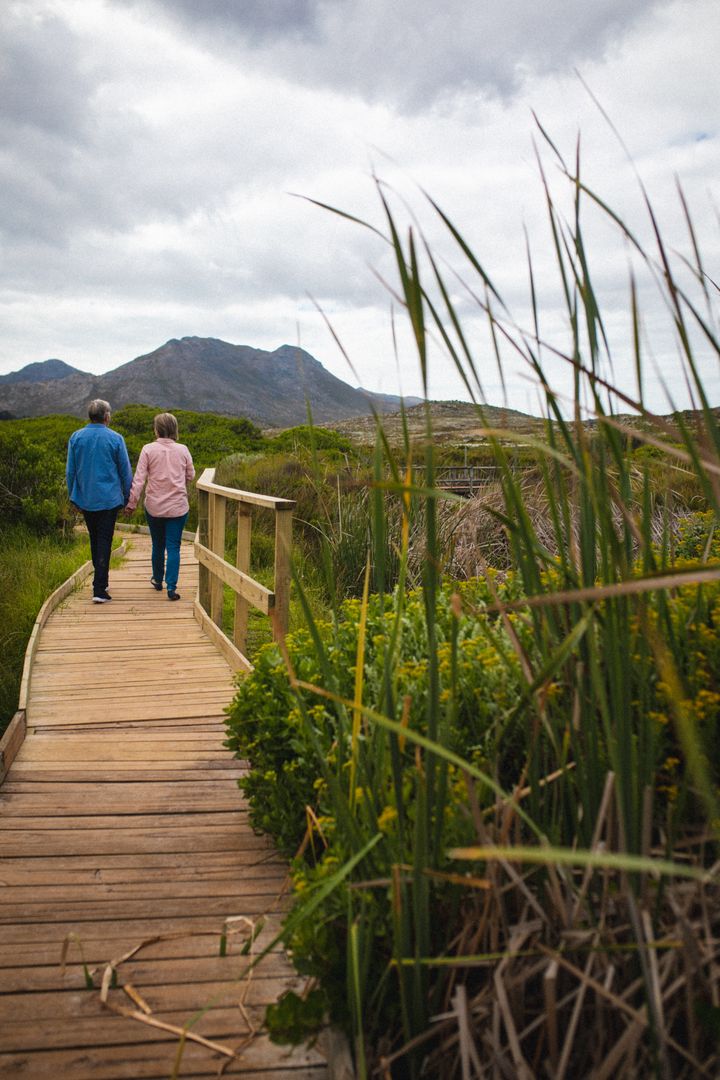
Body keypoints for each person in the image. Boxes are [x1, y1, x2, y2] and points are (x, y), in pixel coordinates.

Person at [66, 399, 133, 603]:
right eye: (110, 413)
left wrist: (73, 496)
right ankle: (99, 588)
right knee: (104, 540)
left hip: (86, 498)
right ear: (106, 416)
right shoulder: (116, 438)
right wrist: (128, 495)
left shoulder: (76, 437)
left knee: (95, 539)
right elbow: (125, 471)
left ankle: (100, 582)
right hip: (109, 499)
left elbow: (70, 471)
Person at [124, 412, 195, 600]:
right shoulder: (183, 449)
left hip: (154, 507)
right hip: (178, 507)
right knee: (174, 547)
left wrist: (131, 504)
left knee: (158, 544)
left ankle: (157, 580)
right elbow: (191, 475)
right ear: (174, 429)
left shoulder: (148, 449)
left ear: (157, 429)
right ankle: (172, 588)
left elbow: (139, 480)